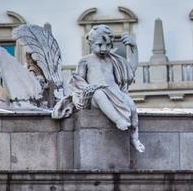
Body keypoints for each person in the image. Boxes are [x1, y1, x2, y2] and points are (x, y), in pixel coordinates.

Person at [53, 25, 145, 153]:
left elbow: (130, 70)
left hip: (115, 92)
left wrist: (134, 48)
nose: (104, 49)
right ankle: (118, 120)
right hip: (93, 95)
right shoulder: (85, 61)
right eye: (100, 44)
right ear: (90, 43)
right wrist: (87, 88)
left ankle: (134, 138)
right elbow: (78, 80)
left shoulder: (113, 60)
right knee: (99, 94)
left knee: (132, 106)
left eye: (108, 45)